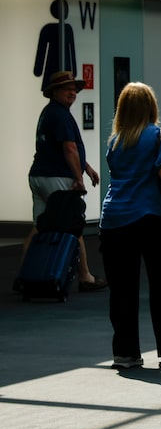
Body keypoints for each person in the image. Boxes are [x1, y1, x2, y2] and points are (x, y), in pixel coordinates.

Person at [100, 82, 161, 368]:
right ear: (151, 107)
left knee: (122, 288)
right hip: (150, 217)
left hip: (114, 218)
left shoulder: (115, 141)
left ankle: (125, 352)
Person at [17, 71, 107, 293]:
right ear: (54, 92)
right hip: (56, 177)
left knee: (40, 226)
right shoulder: (61, 115)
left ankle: (23, 275)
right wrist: (78, 178)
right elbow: (69, 148)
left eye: (74, 89)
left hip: (39, 175)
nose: (72, 92)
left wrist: (86, 167)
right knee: (73, 225)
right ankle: (85, 277)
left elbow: (65, 148)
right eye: (66, 88)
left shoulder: (49, 113)